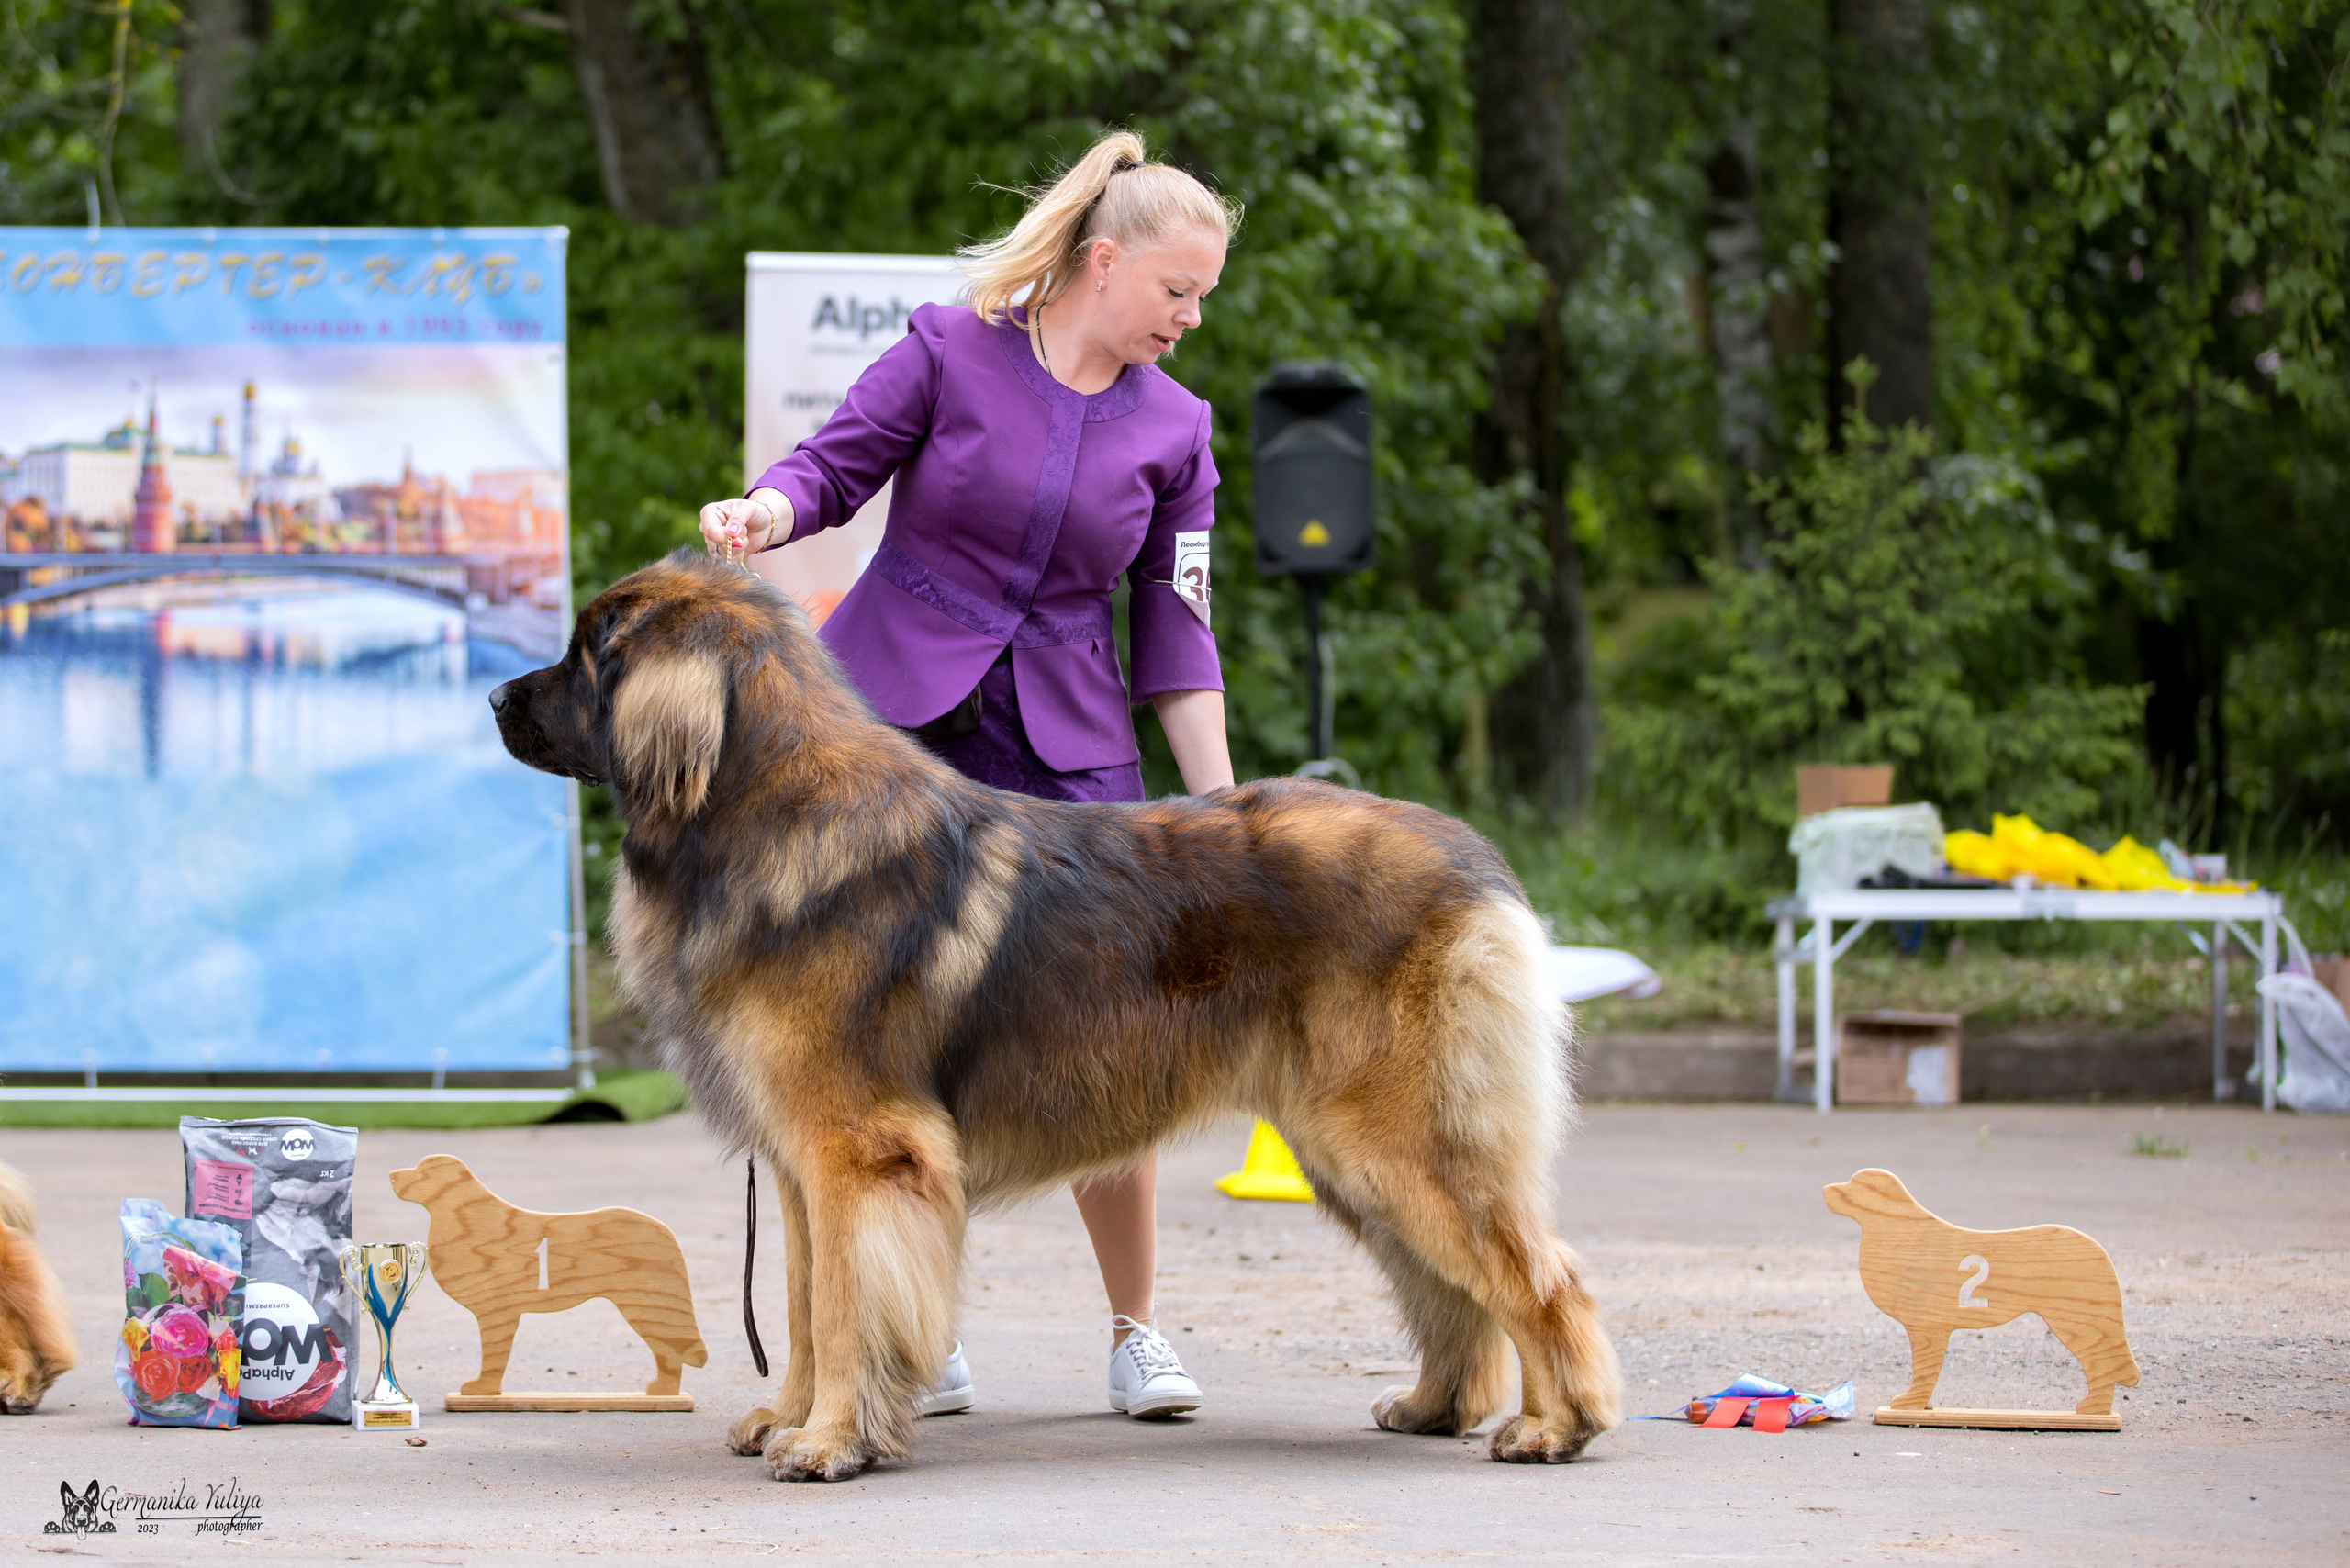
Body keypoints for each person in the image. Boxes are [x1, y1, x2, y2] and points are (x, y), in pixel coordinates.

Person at [697, 129, 1238, 1421]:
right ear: (1104, 264)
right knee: (854, 1051)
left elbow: (1181, 630)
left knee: (1111, 1043)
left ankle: (1136, 1332)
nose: (1193, 318)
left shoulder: (1181, 428)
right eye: (1178, 291)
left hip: (1072, 751)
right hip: (889, 729)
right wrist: (766, 515)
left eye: (1207, 296)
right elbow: (831, 469)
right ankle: (909, 1345)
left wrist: (1224, 815)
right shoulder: (949, 347)